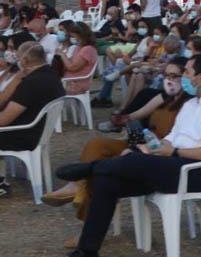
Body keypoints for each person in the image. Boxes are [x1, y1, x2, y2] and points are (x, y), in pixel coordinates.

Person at [48, 53, 201, 257]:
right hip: (169, 166)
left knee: (131, 162)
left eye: (186, 72)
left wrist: (174, 151)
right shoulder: (191, 105)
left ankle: (90, 168)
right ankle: (87, 252)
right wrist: (154, 148)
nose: (183, 78)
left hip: (199, 173)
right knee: (106, 181)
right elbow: (173, 136)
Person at [42, 58, 191, 241]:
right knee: (96, 144)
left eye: (174, 76)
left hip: (160, 154)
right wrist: (123, 118)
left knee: (102, 177)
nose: (169, 80)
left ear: (186, 77)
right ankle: (78, 186)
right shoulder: (162, 96)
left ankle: (83, 209)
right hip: (141, 142)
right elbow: (139, 114)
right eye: (166, 75)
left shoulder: (190, 105)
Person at [0, 44, 66, 177]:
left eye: (17, 56)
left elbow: (3, 120)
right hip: (37, 131)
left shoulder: (32, 83)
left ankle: (1, 181)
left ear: (25, 60)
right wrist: (18, 78)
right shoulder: (50, 74)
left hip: (22, 134)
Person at [58, 23, 98, 94]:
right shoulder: (78, 48)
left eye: (73, 36)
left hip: (76, 82)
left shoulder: (88, 50)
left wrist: (62, 55)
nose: (72, 38)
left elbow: (72, 67)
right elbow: (70, 63)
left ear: (81, 35)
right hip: (69, 79)